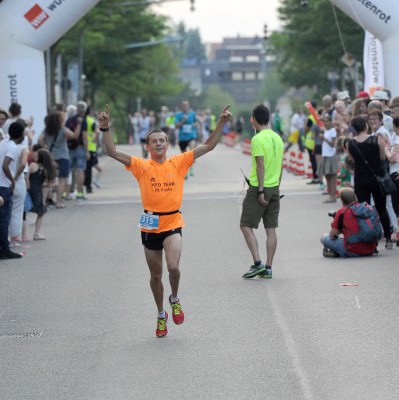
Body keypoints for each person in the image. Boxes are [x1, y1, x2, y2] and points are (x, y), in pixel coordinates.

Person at [97, 103, 232, 337]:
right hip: (150, 223)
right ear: (148, 146)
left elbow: (208, 145)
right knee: (156, 276)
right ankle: (161, 314)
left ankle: (175, 298)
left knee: (173, 268)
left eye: (162, 140)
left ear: (167, 144)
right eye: (154, 141)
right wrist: (105, 128)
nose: (159, 143)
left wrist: (221, 122)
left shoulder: (178, 162)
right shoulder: (141, 165)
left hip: (172, 222)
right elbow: (112, 152)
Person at [240, 104, 284, 279]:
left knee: (245, 225)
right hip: (274, 186)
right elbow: (280, 165)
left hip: (261, 186)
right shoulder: (277, 138)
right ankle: (269, 267)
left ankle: (257, 263)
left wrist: (259, 191)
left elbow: (260, 165)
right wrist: (277, 186)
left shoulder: (257, 139)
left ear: (254, 119)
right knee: (271, 229)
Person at [348, 116, 393, 249]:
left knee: (364, 211)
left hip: (360, 179)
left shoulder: (351, 143)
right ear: (365, 126)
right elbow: (382, 157)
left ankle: (369, 242)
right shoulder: (376, 139)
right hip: (376, 179)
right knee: (381, 208)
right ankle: (388, 239)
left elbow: (353, 160)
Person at [38, 111, 80, 208]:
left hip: (50, 157)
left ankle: (45, 202)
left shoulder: (46, 130)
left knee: (49, 179)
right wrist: (79, 124)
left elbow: (39, 140)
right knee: (62, 179)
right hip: (63, 157)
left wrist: (45, 147)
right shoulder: (63, 129)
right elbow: (74, 136)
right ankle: (58, 202)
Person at [321, 187, 378, 257]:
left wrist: (340, 228)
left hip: (351, 250)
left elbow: (333, 235)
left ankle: (337, 252)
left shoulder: (342, 212)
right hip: (370, 249)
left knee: (324, 237)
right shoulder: (366, 208)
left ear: (342, 200)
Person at [0, 122, 26, 259]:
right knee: (4, 219)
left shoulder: (3, 143)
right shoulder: (13, 147)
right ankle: (4, 249)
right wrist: (12, 180)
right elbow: (5, 165)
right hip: (4, 186)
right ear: (21, 134)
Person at [28, 147, 57, 240]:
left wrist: (27, 186)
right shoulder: (46, 169)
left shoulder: (32, 165)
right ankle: (36, 233)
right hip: (38, 192)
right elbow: (47, 185)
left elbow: (26, 177)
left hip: (29, 190)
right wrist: (44, 200)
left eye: (36, 155)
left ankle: (19, 235)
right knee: (40, 212)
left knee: (24, 212)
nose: (34, 156)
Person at [175, 100, 199, 177]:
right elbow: (176, 126)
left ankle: (191, 168)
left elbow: (196, 122)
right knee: (184, 155)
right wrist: (183, 120)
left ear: (189, 106)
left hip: (191, 136)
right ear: (182, 106)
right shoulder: (178, 115)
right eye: (183, 105)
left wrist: (195, 125)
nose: (185, 106)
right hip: (182, 137)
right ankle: (185, 170)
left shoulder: (192, 114)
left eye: (186, 105)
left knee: (191, 152)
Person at [318, 113, 338, 203]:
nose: (325, 123)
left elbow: (333, 144)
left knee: (332, 177)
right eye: (324, 122)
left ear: (330, 121)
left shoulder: (333, 131)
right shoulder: (325, 131)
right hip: (325, 155)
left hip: (331, 156)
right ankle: (330, 195)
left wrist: (324, 139)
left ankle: (333, 196)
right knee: (327, 176)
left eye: (327, 121)